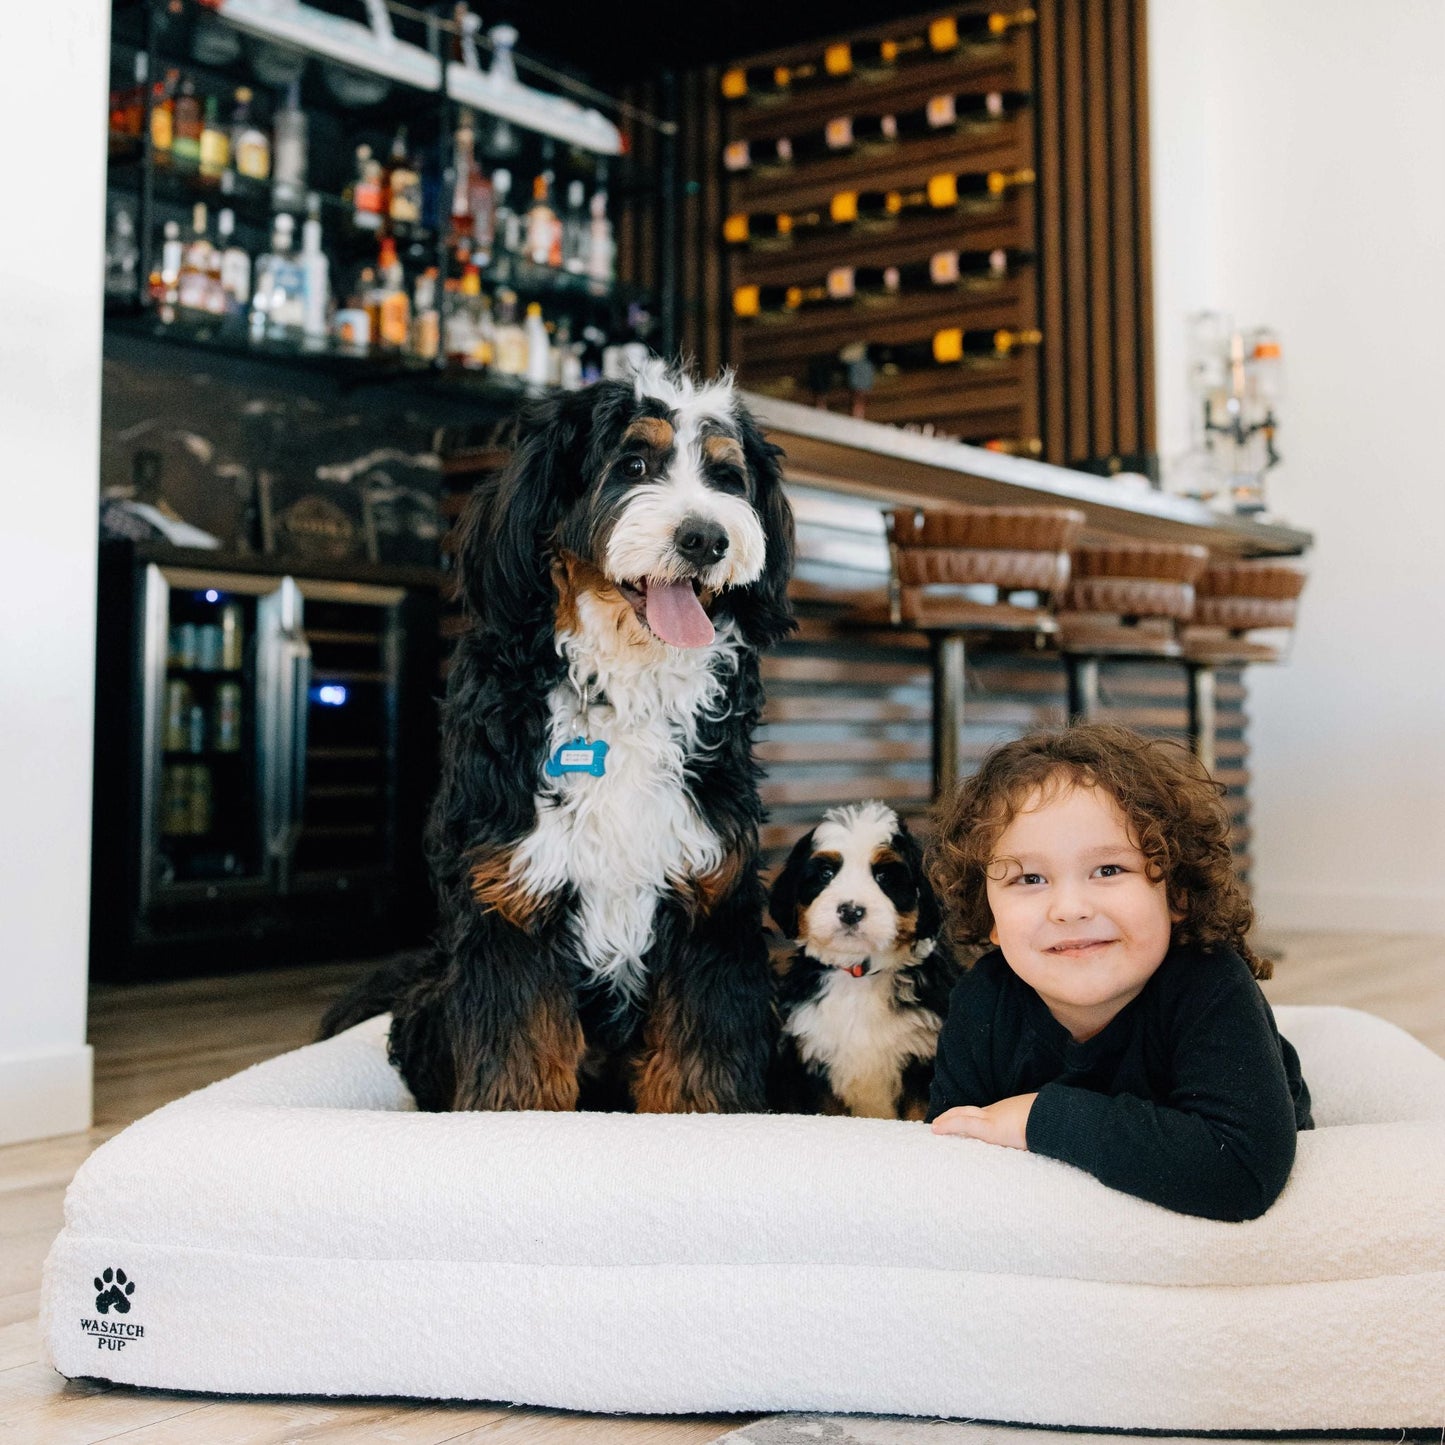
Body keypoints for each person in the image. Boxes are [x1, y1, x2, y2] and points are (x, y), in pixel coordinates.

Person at [926, 722, 1312, 1221]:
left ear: (1177, 893)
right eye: (1030, 878)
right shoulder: (983, 998)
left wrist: (1041, 1117)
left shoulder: (1210, 983)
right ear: (989, 916)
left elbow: (1240, 1171)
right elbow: (952, 1147)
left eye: (1108, 870)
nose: (1069, 908)